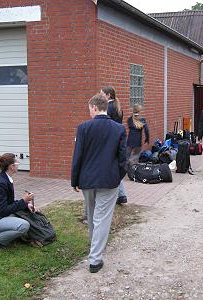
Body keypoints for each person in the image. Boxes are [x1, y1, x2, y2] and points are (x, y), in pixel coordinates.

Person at [71, 93, 127, 273]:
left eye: (89, 109)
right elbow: (122, 158)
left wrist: (75, 179)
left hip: (87, 180)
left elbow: (77, 156)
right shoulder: (118, 128)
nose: (89, 113)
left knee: (94, 216)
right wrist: (117, 176)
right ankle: (95, 257)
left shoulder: (83, 128)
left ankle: (94, 254)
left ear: (95, 107)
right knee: (101, 218)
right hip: (109, 180)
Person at [0, 153, 35, 248]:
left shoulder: (5, 179)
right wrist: (23, 201)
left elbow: (8, 204)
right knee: (24, 225)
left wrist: (26, 205)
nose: (19, 163)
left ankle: (7, 235)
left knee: (23, 215)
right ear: (12, 166)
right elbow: (4, 210)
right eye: (17, 162)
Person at [101, 86, 127, 205]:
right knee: (116, 165)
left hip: (109, 140)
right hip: (117, 139)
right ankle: (121, 194)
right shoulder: (117, 107)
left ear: (108, 95)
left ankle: (120, 194)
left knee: (112, 167)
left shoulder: (107, 108)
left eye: (102, 94)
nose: (100, 96)